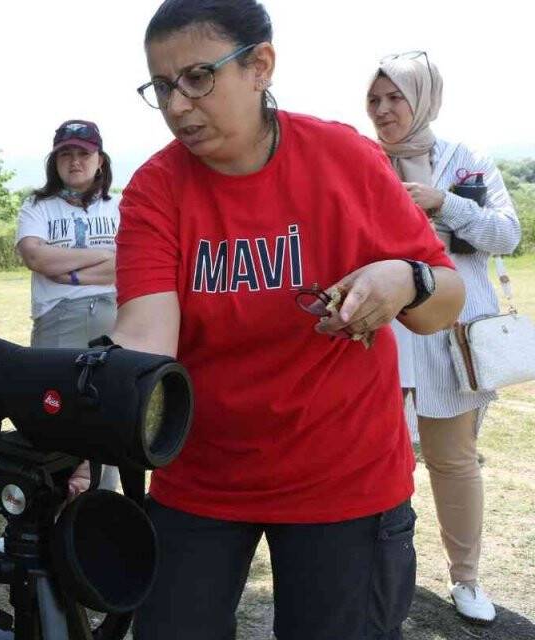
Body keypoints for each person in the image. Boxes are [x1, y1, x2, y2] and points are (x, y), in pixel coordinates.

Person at [115, 1, 467, 638]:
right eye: (162, 86)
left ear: (260, 66)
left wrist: (402, 279)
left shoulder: (345, 159)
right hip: (201, 478)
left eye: (197, 77)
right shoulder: (155, 189)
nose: (177, 105)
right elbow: (145, 337)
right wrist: (99, 403)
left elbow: (443, 299)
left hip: (345, 479)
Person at [366, 51, 520, 626]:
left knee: (453, 462)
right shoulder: (361, 161)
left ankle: (467, 578)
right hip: (382, 337)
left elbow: (506, 236)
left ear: (424, 98)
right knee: (383, 463)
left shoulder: (466, 161)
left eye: (394, 97)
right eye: (374, 99)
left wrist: (444, 202)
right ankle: (385, 578)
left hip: (451, 340)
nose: (382, 110)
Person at [15, 120, 121, 491]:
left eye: (83, 153)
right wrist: (102, 257)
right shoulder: (37, 206)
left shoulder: (122, 205)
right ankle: (50, 503)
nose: (75, 161)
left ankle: (103, 504)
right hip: (57, 320)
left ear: (100, 160)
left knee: (109, 412)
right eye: (66, 154)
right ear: (55, 161)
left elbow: (128, 262)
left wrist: (71, 271)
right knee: (54, 411)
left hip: (113, 314)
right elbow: (35, 257)